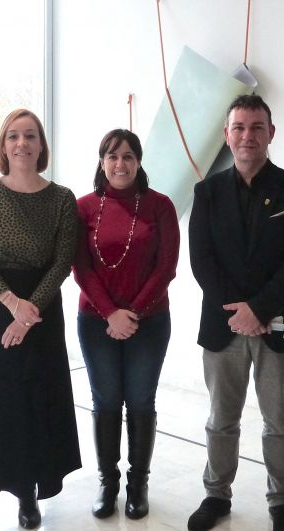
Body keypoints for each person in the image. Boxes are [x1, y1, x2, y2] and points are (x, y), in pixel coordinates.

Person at [186, 95, 284, 531]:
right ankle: (216, 495)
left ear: (270, 133)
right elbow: (202, 261)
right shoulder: (206, 192)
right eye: (239, 127)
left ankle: (281, 501)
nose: (247, 136)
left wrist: (258, 309)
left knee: (279, 421)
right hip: (223, 325)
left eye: (257, 127)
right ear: (227, 135)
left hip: (277, 324)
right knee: (221, 420)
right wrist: (239, 313)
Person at [0, 108, 81, 530]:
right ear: (3, 144)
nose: (22, 143)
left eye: (30, 136)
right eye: (13, 136)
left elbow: (62, 262)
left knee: (34, 400)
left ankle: (28, 491)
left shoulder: (62, 198)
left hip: (42, 310)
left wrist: (29, 313)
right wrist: (12, 304)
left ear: (41, 145)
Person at [72, 129, 180, 520]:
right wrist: (110, 313)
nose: (121, 164)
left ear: (139, 162)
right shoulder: (83, 207)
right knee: (105, 402)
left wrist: (130, 313)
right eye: (113, 156)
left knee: (140, 401)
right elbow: (81, 267)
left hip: (149, 322)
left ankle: (138, 484)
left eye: (129, 156)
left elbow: (166, 267)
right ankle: (108, 482)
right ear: (102, 162)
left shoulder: (160, 206)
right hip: (95, 322)